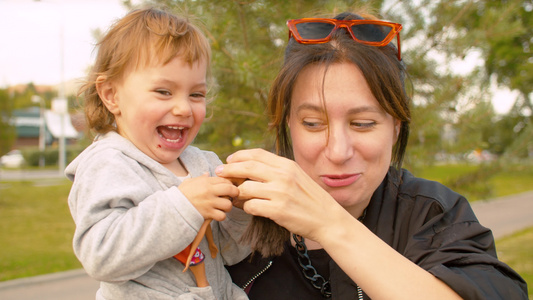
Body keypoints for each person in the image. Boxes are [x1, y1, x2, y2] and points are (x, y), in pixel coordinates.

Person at [217, 11, 529, 299]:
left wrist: (330, 225)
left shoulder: (432, 214)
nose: (338, 151)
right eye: (312, 124)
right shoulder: (236, 216)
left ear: (395, 126)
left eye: (363, 124)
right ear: (289, 124)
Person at [65, 7, 250, 300]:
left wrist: (239, 210)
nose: (183, 108)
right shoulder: (107, 164)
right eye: (164, 92)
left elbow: (229, 254)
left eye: (196, 94)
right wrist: (183, 206)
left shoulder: (203, 163)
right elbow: (101, 255)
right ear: (111, 95)